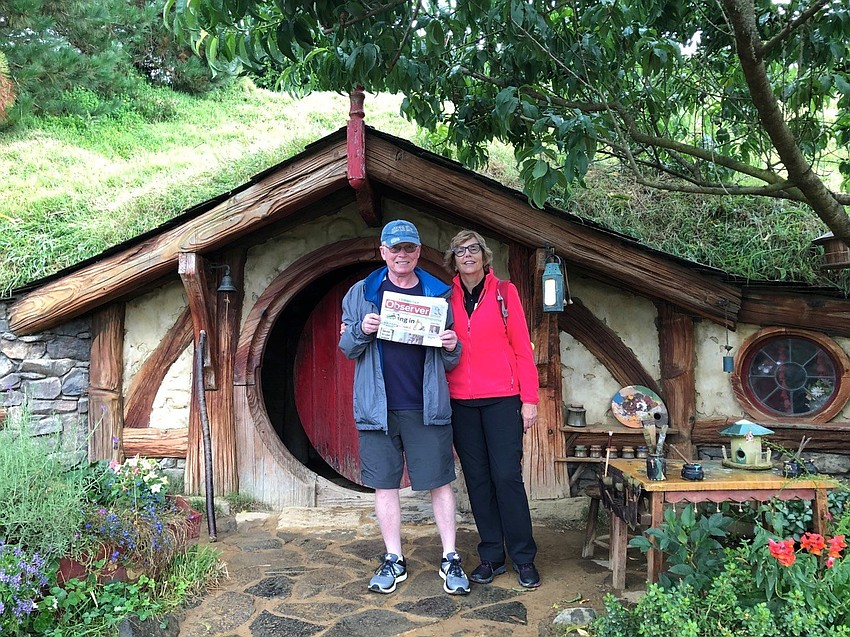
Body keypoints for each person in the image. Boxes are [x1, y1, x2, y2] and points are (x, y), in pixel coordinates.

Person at [338, 219, 470, 596]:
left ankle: (450, 557)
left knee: (439, 482)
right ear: (383, 252)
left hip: (425, 406)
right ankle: (393, 557)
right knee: (385, 485)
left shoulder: (437, 293)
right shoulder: (361, 293)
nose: (402, 254)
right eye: (395, 248)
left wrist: (452, 346)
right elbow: (347, 348)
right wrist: (362, 329)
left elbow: (450, 357)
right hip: (377, 408)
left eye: (409, 248)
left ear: (418, 252)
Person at [444, 229, 541, 588]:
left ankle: (524, 558)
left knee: (506, 477)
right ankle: (492, 556)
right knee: (478, 480)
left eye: (473, 249)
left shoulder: (504, 292)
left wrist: (529, 400)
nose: (467, 255)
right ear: (453, 260)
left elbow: (522, 348)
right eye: (460, 251)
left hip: (502, 399)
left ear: (484, 256)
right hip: (461, 402)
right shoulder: (444, 297)